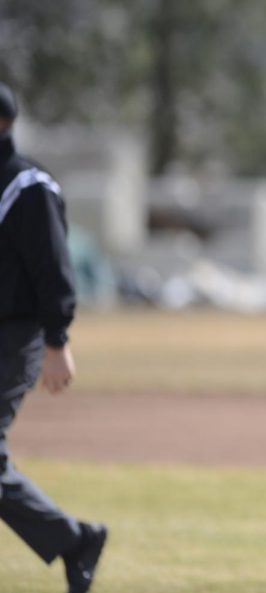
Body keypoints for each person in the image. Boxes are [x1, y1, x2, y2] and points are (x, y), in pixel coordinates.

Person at [0, 81, 108, 592]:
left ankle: (73, 540)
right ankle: (73, 541)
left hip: (15, 337)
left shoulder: (28, 186)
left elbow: (52, 268)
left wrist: (57, 342)